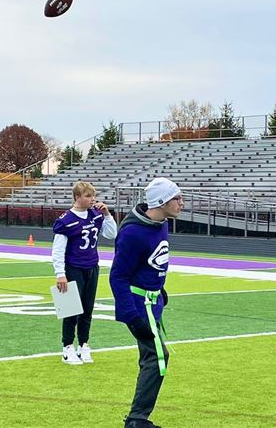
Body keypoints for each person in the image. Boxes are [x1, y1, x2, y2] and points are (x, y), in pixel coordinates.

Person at [109, 178, 183, 428]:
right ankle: (137, 419)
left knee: (152, 357)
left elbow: (152, 262)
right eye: (176, 198)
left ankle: (137, 418)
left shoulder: (161, 224)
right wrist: (131, 315)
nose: (181, 203)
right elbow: (118, 276)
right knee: (158, 357)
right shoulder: (132, 233)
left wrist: (160, 288)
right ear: (162, 202)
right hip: (140, 305)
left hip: (153, 302)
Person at [52, 181, 117, 365]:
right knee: (70, 309)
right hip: (73, 267)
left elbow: (111, 234)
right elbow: (57, 250)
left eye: (93, 195)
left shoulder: (96, 215)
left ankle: (83, 345)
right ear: (77, 197)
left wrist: (107, 215)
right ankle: (67, 348)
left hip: (92, 266)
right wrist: (60, 274)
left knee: (87, 310)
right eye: (88, 196)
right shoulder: (66, 220)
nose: (92, 199)